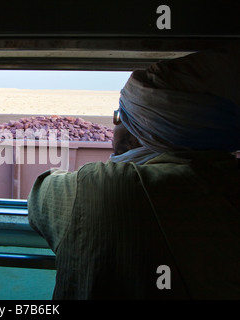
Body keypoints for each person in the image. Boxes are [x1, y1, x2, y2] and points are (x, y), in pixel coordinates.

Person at [28, 47, 240, 300]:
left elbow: (41, 194)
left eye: (119, 118)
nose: (113, 130)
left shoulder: (102, 188)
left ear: (139, 133)